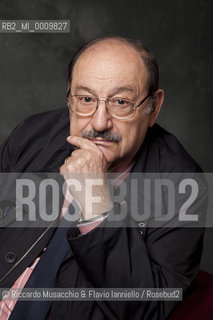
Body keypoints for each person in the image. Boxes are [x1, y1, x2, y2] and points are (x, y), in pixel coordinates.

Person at [0, 36, 207, 320]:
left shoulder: (183, 186)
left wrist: (96, 204)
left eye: (121, 102)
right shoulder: (33, 135)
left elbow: (147, 309)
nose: (99, 123)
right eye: (85, 99)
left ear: (153, 108)